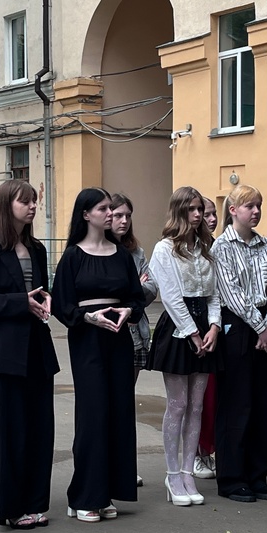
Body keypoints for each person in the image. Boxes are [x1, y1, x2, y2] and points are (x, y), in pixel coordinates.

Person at [0, 179, 59, 529]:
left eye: (34, 200)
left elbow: (39, 290)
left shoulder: (37, 248)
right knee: (10, 431)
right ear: (8, 205)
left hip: (37, 348)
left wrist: (45, 300)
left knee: (39, 429)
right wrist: (21, 302)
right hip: (4, 353)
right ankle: (11, 507)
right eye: (25, 201)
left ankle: (35, 503)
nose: (32, 206)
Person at [52, 188, 145, 522]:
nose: (110, 214)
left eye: (111, 209)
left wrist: (127, 311)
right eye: (103, 209)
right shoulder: (73, 256)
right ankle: (84, 496)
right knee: (93, 415)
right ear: (86, 214)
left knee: (119, 412)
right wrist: (88, 317)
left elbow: (136, 298)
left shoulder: (121, 255)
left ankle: (106, 493)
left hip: (118, 339)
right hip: (88, 340)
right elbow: (61, 304)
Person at [147, 186, 222, 507]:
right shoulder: (164, 248)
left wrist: (214, 326)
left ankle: (189, 472)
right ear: (179, 211)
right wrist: (192, 333)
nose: (198, 215)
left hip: (205, 325)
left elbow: (215, 293)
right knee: (178, 405)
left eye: (200, 209)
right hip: (178, 329)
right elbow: (170, 295)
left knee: (197, 406)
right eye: (192, 209)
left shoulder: (206, 247)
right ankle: (173, 473)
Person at [211, 185, 267, 503]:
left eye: (259, 205)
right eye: (250, 206)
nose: (256, 211)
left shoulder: (266, 245)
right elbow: (232, 292)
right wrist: (260, 327)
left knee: (262, 406)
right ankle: (231, 478)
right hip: (239, 327)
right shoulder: (222, 247)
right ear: (233, 210)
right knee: (237, 404)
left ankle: (257, 475)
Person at [109, 192, 156, 488]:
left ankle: (124, 464)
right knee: (110, 402)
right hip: (112, 333)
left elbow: (151, 288)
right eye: (118, 215)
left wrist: (132, 292)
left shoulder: (136, 251)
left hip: (136, 334)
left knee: (125, 401)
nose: (124, 221)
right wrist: (132, 288)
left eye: (128, 215)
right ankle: (110, 463)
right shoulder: (99, 250)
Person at [194, 196, 220, 481]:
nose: (211, 219)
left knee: (214, 398)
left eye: (213, 213)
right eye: (205, 213)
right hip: (194, 327)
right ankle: (197, 453)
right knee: (197, 399)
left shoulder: (216, 245)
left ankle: (209, 451)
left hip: (216, 327)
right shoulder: (186, 246)